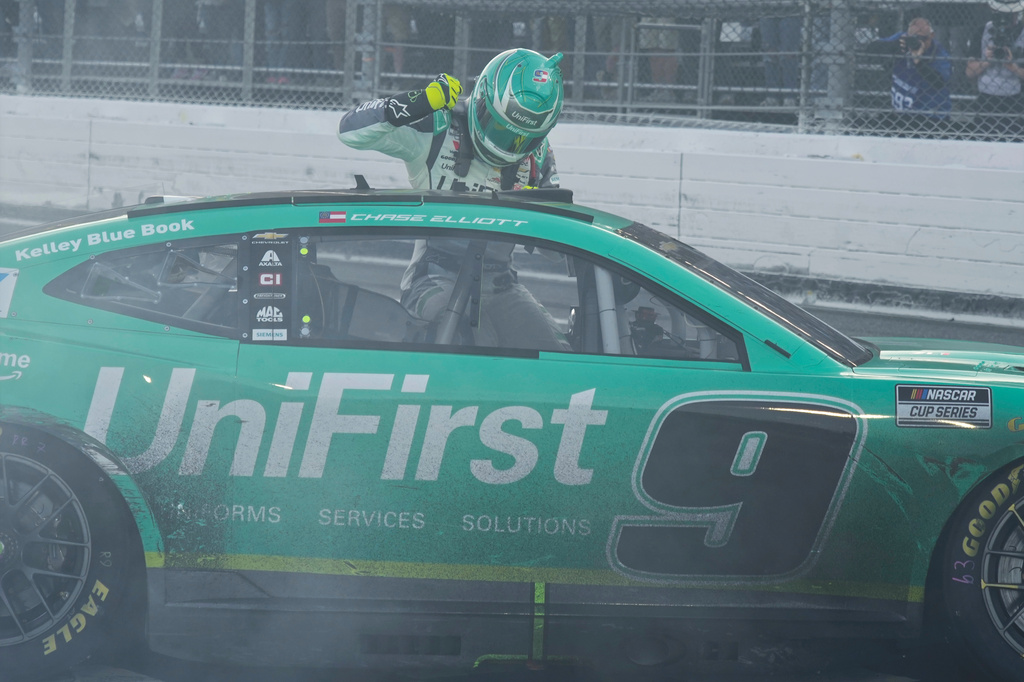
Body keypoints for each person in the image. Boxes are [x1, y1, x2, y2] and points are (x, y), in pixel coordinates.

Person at [337, 48, 570, 352]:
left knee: (558, 353)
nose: (510, 145)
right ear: (482, 99)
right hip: (434, 277)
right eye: (500, 127)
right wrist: (420, 101)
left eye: (523, 138)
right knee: (473, 344)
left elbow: (557, 253)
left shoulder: (538, 155)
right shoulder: (439, 127)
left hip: (502, 284)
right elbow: (350, 131)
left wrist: (539, 215)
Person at [865, 17, 952, 130]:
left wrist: (918, 61)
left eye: (923, 38)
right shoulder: (903, 40)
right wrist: (896, 45)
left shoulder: (939, 53)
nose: (919, 42)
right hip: (901, 113)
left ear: (932, 35)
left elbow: (938, 82)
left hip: (930, 117)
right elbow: (870, 49)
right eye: (915, 38)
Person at [965, 0, 1024, 138]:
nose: (1005, 18)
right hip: (986, 99)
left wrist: (1012, 66)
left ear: (1017, 13)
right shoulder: (981, 31)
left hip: (1015, 99)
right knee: (982, 139)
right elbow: (969, 72)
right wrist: (987, 61)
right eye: (1001, 13)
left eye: (1009, 14)